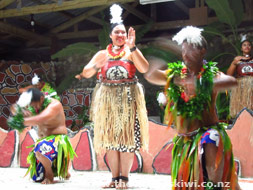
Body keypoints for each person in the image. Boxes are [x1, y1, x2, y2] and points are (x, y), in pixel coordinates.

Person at [144, 26, 240, 190]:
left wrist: (203, 84)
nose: (185, 55)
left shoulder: (210, 74)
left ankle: (216, 185)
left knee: (212, 137)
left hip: (207, 132)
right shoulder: (177, 75)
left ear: (203, 51)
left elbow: (231, 81)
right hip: (185, 142)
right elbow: (152, 75)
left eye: (191, 50)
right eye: (183, 50)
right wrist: (156, 61)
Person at [75, 4, 149, 189]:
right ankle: (114, 177)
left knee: (126, 140)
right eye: (117, 32)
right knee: (110, 141)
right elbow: (86, 72)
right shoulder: (102, 53)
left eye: (123, 32)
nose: (121, 35)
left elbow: (144, 68)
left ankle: (124, 178)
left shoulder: (131, 53)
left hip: (127, 100)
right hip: (107, 101)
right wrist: (95, 66)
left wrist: (133, 48)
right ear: (110, 35)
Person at [8, 88, 76, 184]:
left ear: (41, 98)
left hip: (58, 140)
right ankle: (62, 171)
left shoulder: (54, 105)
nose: (33, 107)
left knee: (40, 149)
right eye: (31, 105)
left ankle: (50, 176)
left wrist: (20, 121)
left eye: (34, 104)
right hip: (44, 141)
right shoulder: (36, 107)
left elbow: (40, 119)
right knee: (37, 177)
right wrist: (18, 110)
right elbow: (22, 113)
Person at [227, 38, 253, 118]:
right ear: (241, 48)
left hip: (252, 85)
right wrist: (234, 63)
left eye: (249, 45)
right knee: (241, 107)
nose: (247, 47)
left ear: (251, 47)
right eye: (244, 45)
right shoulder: (237, 60)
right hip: (241, 86)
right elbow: (229, 74)